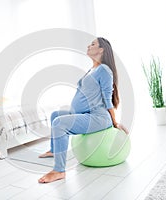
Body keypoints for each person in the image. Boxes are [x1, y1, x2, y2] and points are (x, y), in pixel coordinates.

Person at [38, 37, 125, 184]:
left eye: (93, 44)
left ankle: (59, 171)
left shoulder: (104, 70)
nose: (88, 45)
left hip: (98, 117)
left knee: (60, 123)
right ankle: (54, 150)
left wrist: (114, 122)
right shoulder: (92, 69)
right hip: (85, 114)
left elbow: (107, 98)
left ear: (101, 49)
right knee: (55, 115)